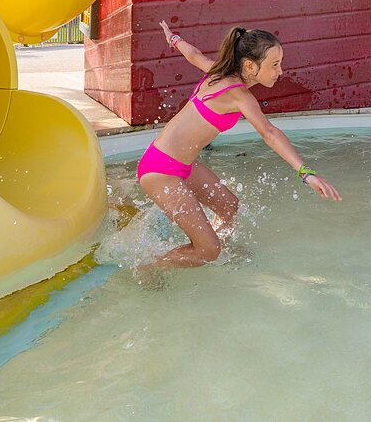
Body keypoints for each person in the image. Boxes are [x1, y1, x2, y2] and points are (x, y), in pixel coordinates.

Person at [136, 22, 341, 268]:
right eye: (274, 65)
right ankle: (150, 266)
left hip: (180, 165)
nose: (281, 71)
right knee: (209, 250)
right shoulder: (238, 94)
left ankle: (210, 249)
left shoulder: (218, 72)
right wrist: (306, 173)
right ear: (249, 66)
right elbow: (269, 132)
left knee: (229, 206)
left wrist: (173, 38)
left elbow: (194, 55)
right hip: (160, 170)